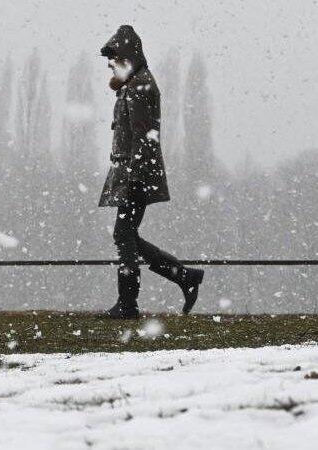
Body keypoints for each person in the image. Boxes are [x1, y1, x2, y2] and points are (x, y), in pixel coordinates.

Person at [98, 24, 205, 319]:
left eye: (114, 59)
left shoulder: (140, 87)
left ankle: (129, 302)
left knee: (124, 233)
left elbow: (144, 138)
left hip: (136, 174)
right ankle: (183, 277)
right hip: (132, 173)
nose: (110, 65)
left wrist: (134, 178)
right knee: (127, 234)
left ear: (127, 57)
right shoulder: (134, 85)